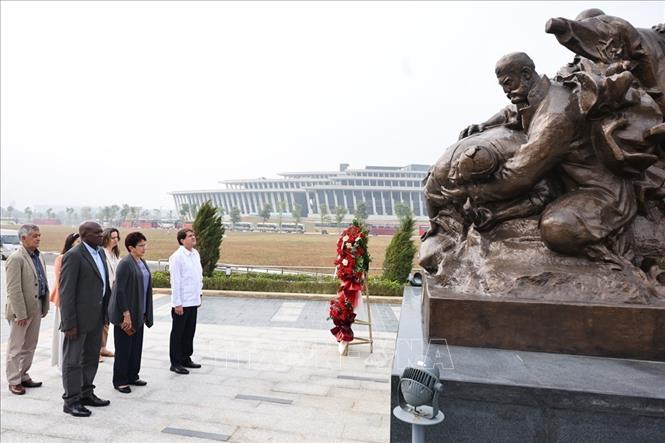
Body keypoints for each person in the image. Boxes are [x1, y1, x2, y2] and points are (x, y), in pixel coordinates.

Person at [59, 221, 111, 417]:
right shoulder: (74, 256)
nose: (101, 235)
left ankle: (86, 393)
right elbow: (67, 293)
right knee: (73, 361)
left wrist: (106, 313)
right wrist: (69, 323)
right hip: (78, 321)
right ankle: (71, 401)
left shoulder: (100, 253)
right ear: (84, 235)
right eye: (97, 233)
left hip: (96, 318)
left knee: (91, 358)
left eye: (101, 232)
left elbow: (104, 285)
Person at [5, 224, 49, 395]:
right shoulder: (16, 258)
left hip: (36, 307)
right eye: (34, 236)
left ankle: (23, 375)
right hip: (21, 310)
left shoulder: (39, 256)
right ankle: (14, 380)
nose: (38, 238)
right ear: (23, 238)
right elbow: (13, 289)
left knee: (30, 345)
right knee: (16, 347)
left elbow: (42, 281)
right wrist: (20, 314)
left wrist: (44, 305)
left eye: (39, 235)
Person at [107, 232, 153, 393]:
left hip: (139, 312)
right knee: (124, 348)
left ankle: (133, 375)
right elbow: (120, 291)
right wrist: (126, 314)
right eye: (141, 245)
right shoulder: (125, 263)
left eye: (145, 244)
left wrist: (146, 311)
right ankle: (120, 380)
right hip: (126, 313)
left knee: (136, 347)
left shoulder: (142, 262)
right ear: (131, 247)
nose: (144, 248)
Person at [168, 229, 203, 375]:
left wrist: (199, 294)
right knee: (178, 333)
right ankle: (175, 362)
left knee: (189, 332)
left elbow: (198, 276)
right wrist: (177, 303)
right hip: (182, 303)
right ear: (182, 240)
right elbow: (175, 281)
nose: (193, 237)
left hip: (193, 300)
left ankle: (186, 357)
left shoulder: (195, 254)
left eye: (194, 235)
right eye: (190, 236)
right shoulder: (177, 257)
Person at [50, 233, 80, 371]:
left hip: (79, 303)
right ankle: (63, 364)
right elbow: (61, 283)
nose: (80, 243)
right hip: (64, 302)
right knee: (64, 333)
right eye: (77, 241)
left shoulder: (82, 258)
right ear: (71, 243)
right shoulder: (61, 258)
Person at [99, 228, 121, 361]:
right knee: (100, 320)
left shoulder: (115, 254)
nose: (116, 240)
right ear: (106, 238)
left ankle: (103, 347)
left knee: (107, 320)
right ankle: (95, 350)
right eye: (113, 237)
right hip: (104, 290)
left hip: (114, 290)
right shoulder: (101, 252)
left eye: (117, 237)